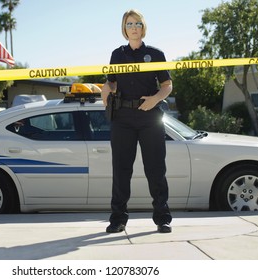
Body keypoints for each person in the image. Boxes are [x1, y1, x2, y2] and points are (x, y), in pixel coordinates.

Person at [101, 9, 173, 234]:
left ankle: (162, 218)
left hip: (150, 117)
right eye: (129, 24)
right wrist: (106, 93)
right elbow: (111, 83)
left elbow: (167, 85)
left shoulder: (156, 53)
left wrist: (155, 100)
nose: (134, 27)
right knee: (121, 170)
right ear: (124, 28)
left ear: (143, 27)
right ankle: (117, 219)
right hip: (122, 118)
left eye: (138, 24)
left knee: (156, 169)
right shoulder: (117, 55)